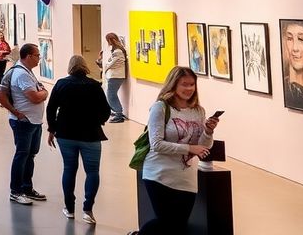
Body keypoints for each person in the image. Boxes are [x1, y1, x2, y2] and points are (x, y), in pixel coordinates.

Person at [127, 67, 220, 235]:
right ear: (173, 84)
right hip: (159, 174)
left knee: (178, 225)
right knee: (166, 221)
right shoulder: (160, 107)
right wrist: (189, 148)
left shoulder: (198, 111)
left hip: (186, 178)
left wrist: (208, 131)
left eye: (192, 84)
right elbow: (156, 144)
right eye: (184, 84)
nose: (189, 88)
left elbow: (203, 146)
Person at [46, 56, 111, 224]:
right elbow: (105, 110)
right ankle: (88, 210)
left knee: (69, 169)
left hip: (66, 134)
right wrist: (98, 121)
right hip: (91, 135)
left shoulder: (61, 84)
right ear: (85, 67)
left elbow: (51, 108)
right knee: (92, 172)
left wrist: (52, 129)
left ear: (70, 67)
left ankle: (69, 208)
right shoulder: (95, 86)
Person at [0, 43, 48, 205]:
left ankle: (27, 187)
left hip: (33, 121)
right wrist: (16, 112)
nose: (39, 58)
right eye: (37, 55)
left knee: (29, 155)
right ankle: (16, 190)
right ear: (28, 56)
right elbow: (35, 97)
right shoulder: (21, 74)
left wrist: (41, 93)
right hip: (24, 122)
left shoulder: (27, 72)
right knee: (22, 155)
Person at [97, 32, 128, 122]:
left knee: (111, 95)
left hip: (115, 76)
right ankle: (116, 111)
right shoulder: (116, 51)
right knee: (111, 95)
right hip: (115, 76)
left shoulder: (117, 51)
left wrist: (103, 65)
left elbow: (109, 64)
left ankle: (118, 113)